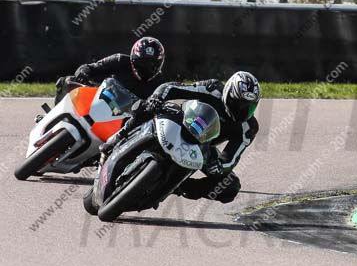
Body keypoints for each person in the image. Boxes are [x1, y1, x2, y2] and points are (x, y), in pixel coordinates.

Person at [101, 70, 261, 204]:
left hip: (204, 146)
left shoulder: (248, 128)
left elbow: (231, 159)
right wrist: (157, 98)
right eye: (239, 103)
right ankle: (117, 138)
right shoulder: (212, 89)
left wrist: (219, 166)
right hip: (181, 121)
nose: (243, 110)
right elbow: (170, 87)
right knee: (145, 107)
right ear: (228, 93)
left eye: (250, 106)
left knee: (231, 186)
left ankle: (177, 186)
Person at [52, 37, 166, 107]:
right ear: (133, 59)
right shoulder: (119, 60)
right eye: (142, 63)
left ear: (159, 64)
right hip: (101, 98)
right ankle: (53, 114)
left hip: (125, 118)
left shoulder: (159, 83)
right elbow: (90, 67)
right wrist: (83, 73)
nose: (145, 68)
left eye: (151, 65)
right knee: (67, 81)